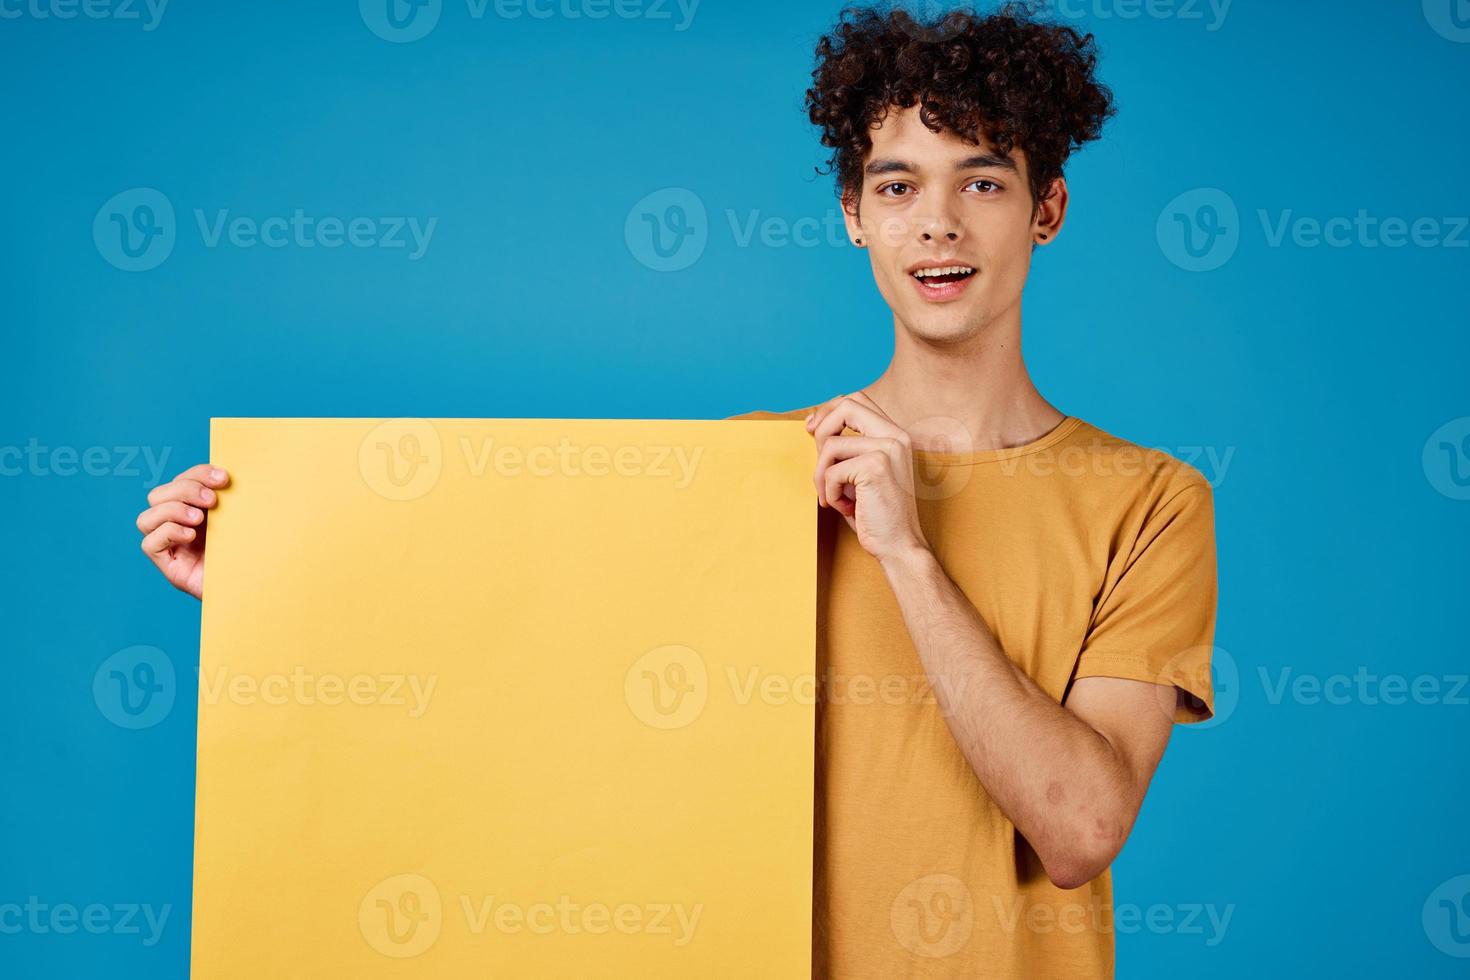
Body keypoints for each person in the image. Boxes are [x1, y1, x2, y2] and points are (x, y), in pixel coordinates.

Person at [135, 5, 1217, 977]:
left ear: (1049, 207)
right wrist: (262, 597)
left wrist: (908, 551)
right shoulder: (753, 468)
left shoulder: (1148, 499)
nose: (937, 223)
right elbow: (537, 692)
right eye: (897, 185)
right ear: (854, 212)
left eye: (982, 180)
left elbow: (1078, 827)